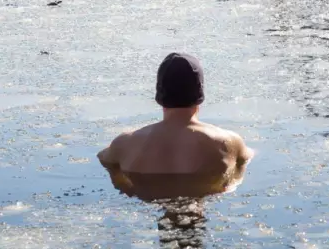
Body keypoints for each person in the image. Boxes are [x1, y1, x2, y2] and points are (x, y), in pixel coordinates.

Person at [97, 52, 253, 180]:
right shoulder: (229, 142)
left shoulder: (125, 144)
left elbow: (104, 158)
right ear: (200, 94)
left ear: (159, 95)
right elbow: (245, 161)